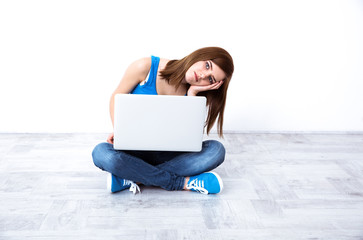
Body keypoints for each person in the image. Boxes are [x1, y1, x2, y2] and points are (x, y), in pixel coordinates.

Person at [92, 47, 234, 195]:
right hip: (134, 151)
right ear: (200, 56)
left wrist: (192, 95)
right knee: (101, 153)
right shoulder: (145, 67)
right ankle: (181, 182)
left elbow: (187, 138)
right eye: (207, 65)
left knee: (216, 150)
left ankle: (133, 177)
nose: (203, 75)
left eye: (210, 79)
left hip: (169, 155)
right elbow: (116, 97)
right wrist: (119, 131)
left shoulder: (197, 94)